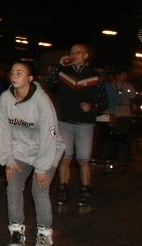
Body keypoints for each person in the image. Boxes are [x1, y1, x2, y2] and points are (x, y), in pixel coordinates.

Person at [0, 62, 64, 246]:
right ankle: (17, 233)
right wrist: (8, 159)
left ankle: (44, 236)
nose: (14, 76)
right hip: (21, 150)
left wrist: (42, 167)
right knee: (13, 183)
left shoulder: (42, 101)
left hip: (47, 150)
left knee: (39, 189)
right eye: (12, 72)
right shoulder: (6, 98)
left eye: (20, 73)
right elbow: (0, 130)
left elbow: (50, 135)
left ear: (30, 78)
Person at [44, 44, 107, 206]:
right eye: (72, 52)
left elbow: (103, 101)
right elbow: (49, 82)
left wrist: (91, 106)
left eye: (78, 53)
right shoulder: (64, 72)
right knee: (65, 157)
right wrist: (59, 65)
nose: (74, 55)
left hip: (84, 124)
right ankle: (63, 189)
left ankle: (85, 190)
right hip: (64, 121)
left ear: (86, 56)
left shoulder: (94, 75)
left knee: (83, 159)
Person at [107, 69, 135, 169]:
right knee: (114, 136)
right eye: (123, 75)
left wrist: (125, 91)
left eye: (125, 75)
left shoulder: (128, 85)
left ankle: (125, 158)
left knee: (124, 136)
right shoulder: (111, 85)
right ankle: (113, 157)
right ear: (117, 75)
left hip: (125, 114)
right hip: (114, 114)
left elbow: (132, 96)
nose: (125, 77)